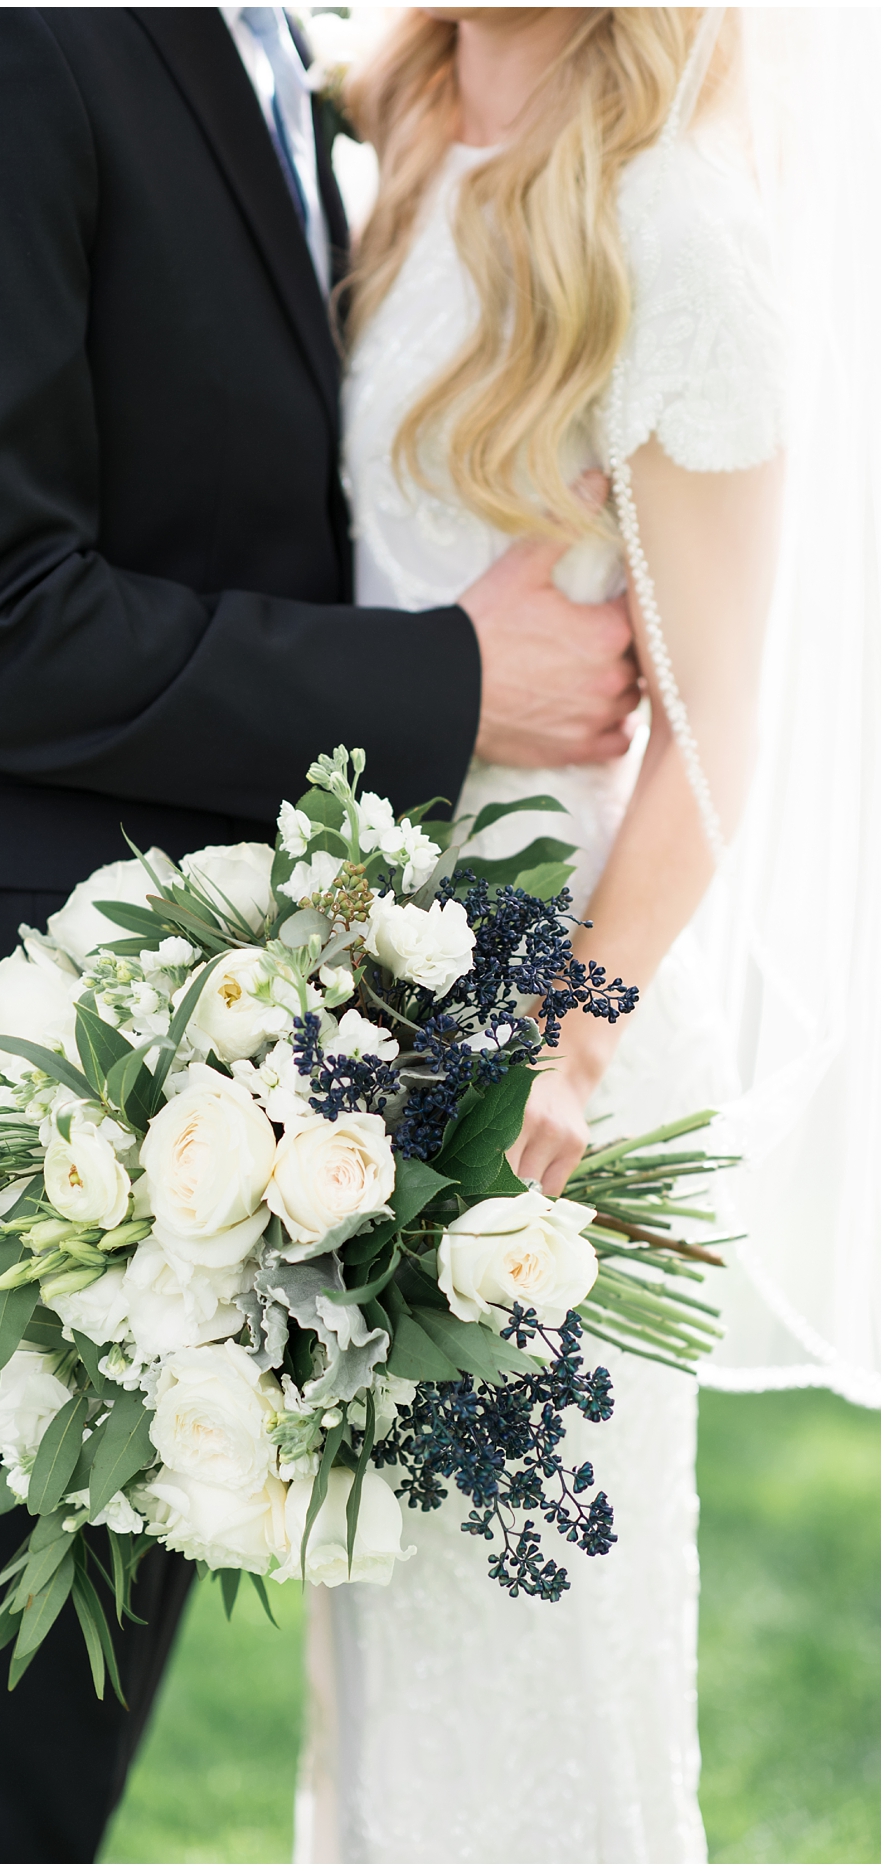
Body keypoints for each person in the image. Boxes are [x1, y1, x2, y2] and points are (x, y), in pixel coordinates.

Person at [0, 9, 647, 1859]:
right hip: (2, 1093)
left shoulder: (290, 58)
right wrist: (452, 677)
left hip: (244, 1075)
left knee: (52, 1778)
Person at [298, 11, 783, 1859]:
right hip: (352, 1013)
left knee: (537, 1649)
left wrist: (563, 1049)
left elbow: (719, 730)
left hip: (559, 1039)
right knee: (384, 1692)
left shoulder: (675, 224)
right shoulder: (391, 130)